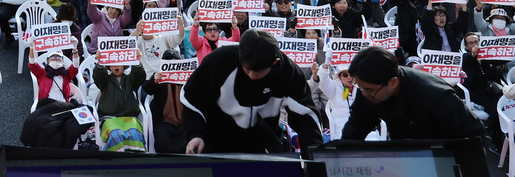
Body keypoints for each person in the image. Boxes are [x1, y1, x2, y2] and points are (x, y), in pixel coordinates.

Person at [181, 28, 322, 156]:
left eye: (259, 72)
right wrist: (195, 134)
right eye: (247, 70)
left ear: (275, 63)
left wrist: (313, 156)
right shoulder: (219, 62)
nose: (252, 76)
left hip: (262, 147)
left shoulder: (288, 73)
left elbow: (307, 117)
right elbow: (192, 98)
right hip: (215, 144)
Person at [343, 46, 485, 141]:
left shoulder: (436, 95)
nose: (364, 95)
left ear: (393, 82)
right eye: (360, 88)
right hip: (403, 152)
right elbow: (359, 122)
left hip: (443, 153)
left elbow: (474, 135)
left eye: (369, 91)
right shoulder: (370, 88)